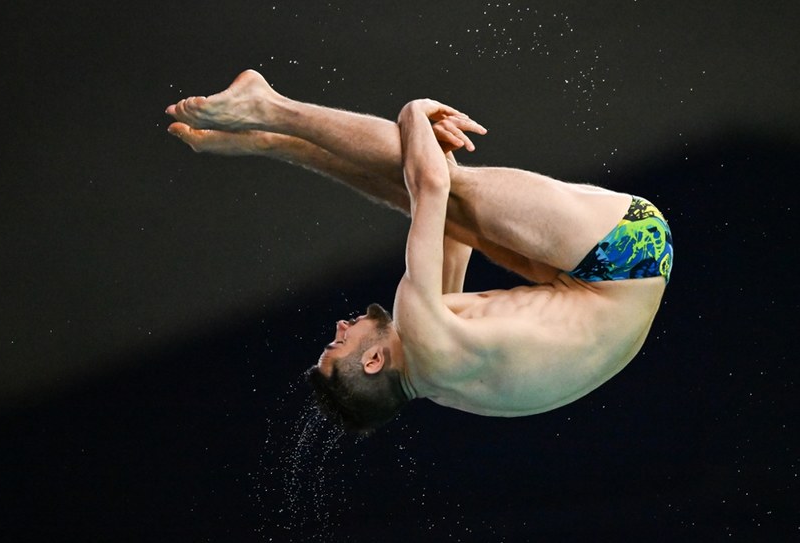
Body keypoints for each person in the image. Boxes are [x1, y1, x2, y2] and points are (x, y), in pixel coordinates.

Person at [166, 70, 673, 435]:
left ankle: (272, 140)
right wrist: (416, 115)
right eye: (336, 345)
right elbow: (431, 183)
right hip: (627, 247)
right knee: (453, 185)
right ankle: (269, 109)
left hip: (620, 275)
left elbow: (444, 224)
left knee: (448, 203)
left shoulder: (437, 376)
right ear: (372, 362)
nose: (339, 329)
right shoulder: (424, 333)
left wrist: (425, 155)